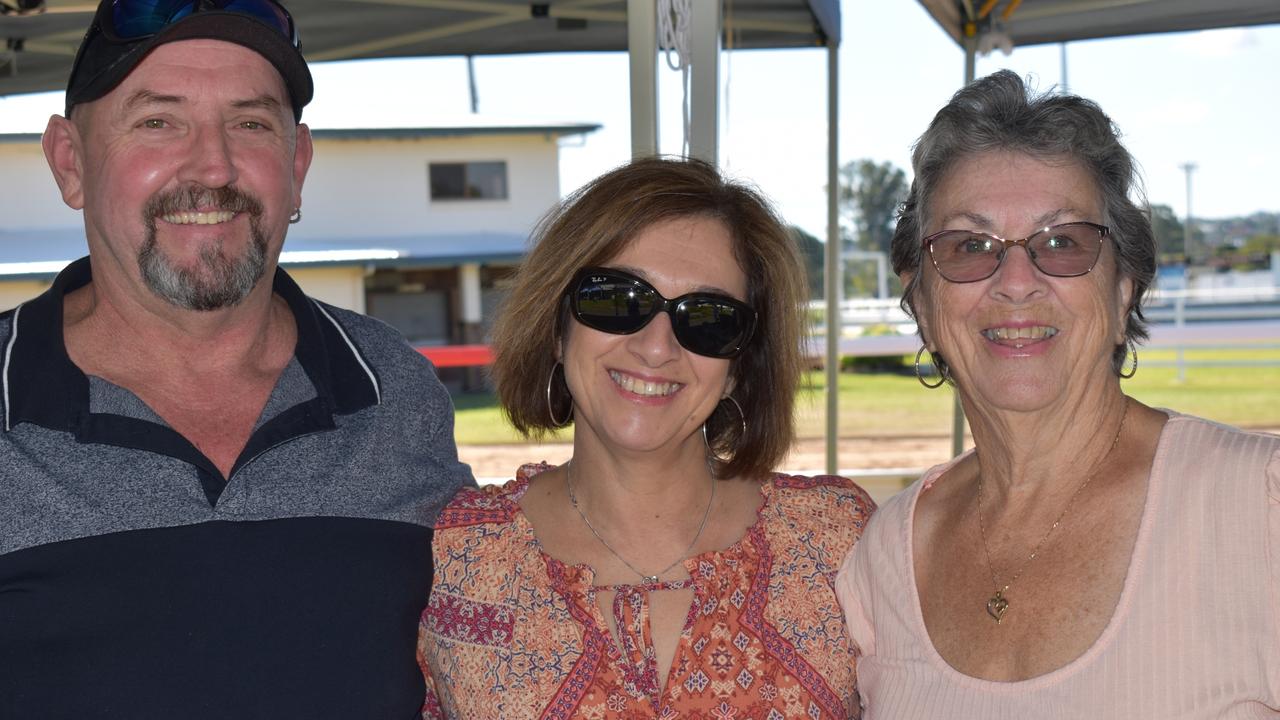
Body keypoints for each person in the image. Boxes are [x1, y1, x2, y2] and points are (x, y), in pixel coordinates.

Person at [0, 2, 472, 716]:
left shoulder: (393, 389)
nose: (213, 165)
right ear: (70, 162)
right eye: (158, 121)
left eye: (251, 123)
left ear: (298, 163)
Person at [836, 70, 1280, 716]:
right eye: (969, 246)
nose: (1017, 281)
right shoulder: (886, 561)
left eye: (1062, 242)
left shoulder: (1258, 511)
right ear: (924, 303)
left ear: (1123, 284)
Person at [418, 157, 875, 718]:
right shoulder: (454, 555)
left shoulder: (840, 541)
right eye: (617, 299)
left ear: (738, 366)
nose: (657, 347)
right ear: (557, 329)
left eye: (707, 319)